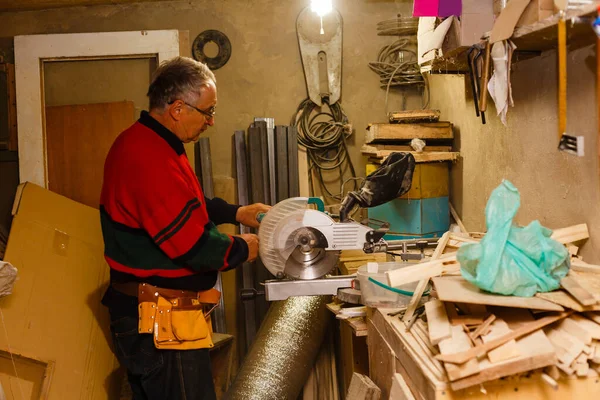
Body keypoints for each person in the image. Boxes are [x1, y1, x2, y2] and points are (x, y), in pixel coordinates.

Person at [100, 56, 268, 400]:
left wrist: (237, 212)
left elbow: (185, 204)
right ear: (178, 108)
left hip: (164, 307)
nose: (210, 121)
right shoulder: (147, 157)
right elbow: (191, 246)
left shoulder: (155, 142)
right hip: (160, 314)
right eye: (207, 111)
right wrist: (244, 248)